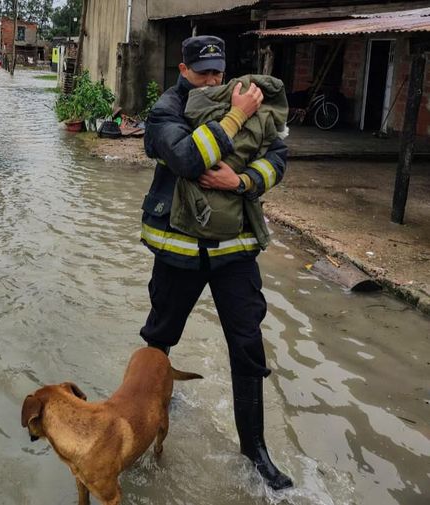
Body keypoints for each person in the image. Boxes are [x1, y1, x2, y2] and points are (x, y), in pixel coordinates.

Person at [140, 35, 293, 491]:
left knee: (248, 347)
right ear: (183, 72)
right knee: (159, 337)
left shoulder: (245, 101)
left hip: (235, 253)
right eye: (203, 72)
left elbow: (279, 157)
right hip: (178, 250)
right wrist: (236, 116)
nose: (213, 80)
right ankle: (152, 411)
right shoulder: (165, 111)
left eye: (218, 73)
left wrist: (242, 179)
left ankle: (255, 450)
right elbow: (186, 158)